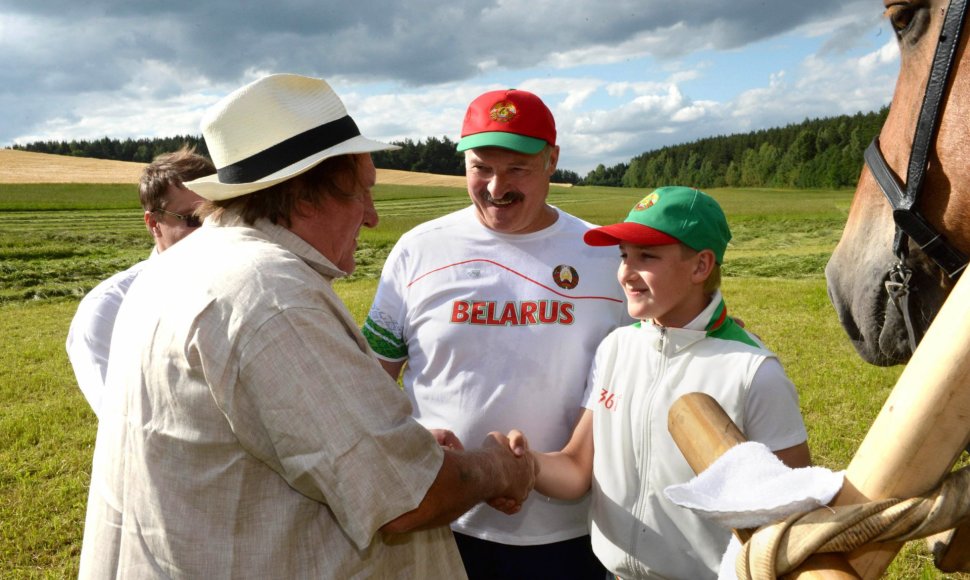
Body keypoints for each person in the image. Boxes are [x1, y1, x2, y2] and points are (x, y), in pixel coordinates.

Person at [78, 73, 536, 579]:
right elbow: (407, 499)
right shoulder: (272, 295)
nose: (373, 217)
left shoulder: (181, 266)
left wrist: (403, 442)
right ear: (305, 194)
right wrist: (496, 466)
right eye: (361, 192)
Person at [362, 88, 630, 578]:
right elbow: (369, 379)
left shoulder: (604, 255)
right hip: (439, 524)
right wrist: (413, 438)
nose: (494, 186)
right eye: (481, 167)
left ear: (552, 160)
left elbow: (645, 372)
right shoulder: (418, 250)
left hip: (572, 530)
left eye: (516, 170)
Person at [513, 186, 812, 579]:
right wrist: (521, 463)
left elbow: (791, 518)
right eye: (623, 256)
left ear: (701, 266)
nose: (626, 272)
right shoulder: (617, 348)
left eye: (647, 256)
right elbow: (575, 468)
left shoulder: (753, 371)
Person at [65, 146, 214, 418]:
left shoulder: (247, 289)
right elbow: (125, 421)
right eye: (193, 220)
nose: (211, 232)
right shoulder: (107, 310)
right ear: (153, 223)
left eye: (217, 217)